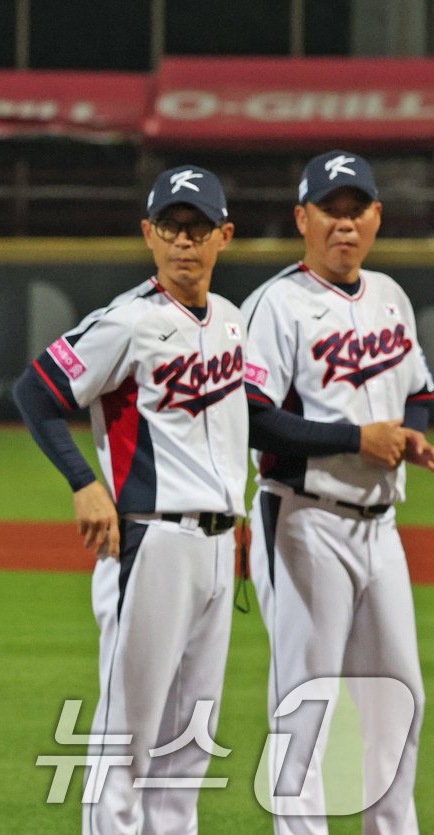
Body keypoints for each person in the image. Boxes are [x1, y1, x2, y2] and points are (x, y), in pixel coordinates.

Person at [12, 166, 248, 834]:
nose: (183, 240)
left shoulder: (230, 322)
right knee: (127, 740)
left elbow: (231, 430)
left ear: (224, 235)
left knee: (188, 745)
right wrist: (84, 481)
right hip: (149, 542)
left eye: (197, 226)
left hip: (213, 546)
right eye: (170, 226)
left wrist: (239, 510)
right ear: (148, 233)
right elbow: (37, 391)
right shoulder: (129, 320)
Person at [241, 150, 434, 834]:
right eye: (331, 210)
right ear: (303, 218)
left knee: (400, 699)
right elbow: (255, 416)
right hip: (303, 521)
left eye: (357, 210)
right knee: (305, 705)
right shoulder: (275, 305)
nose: (344, 225)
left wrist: (412, 432)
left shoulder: (389, 296)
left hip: (379, 528)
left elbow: (419, 390)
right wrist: (358, 439)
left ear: (377, 217)